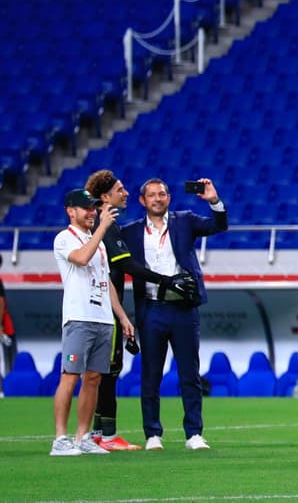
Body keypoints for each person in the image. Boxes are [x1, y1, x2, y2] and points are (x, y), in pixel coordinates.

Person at [84, 169, 191, 452]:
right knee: (106, 371)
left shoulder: (100, 225)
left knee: (102, 371)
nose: (126, 193)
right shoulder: (106, 227)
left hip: (106, 306)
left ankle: (96, 433)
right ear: (106, 197)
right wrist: (166, 280)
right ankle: (105, 434)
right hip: (104, 310)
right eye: (120, 189)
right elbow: (127, 266)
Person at [121, 177, 228, 451]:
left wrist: (214, 201)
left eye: (162, 194)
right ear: (142, 201)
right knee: (150, 375)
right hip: (152, 309)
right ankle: (152, 434)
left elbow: (219, 225)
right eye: (152, 195)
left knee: (189, 373)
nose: (158, 198)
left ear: (169, 198)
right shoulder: (130, 232)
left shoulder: (184, 221)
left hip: (183, 309)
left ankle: (194, 433)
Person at [51, 189, 135, 456]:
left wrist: (121, 316)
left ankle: (82, 437)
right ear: (70, 211)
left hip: (102, 318)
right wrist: (102, 229)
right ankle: (60, 439)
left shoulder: (96, 241)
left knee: (94, 378)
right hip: (79, 317)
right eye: (86, 208)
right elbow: (81, 258)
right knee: (70, 376)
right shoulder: (64, 239)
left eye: (94, 208)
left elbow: (106, 280)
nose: (92, 212)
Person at [0, 275, 14, 396]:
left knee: (7, 362)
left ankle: (4, 390)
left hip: (4, 328)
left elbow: (1, 302)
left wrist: (0, 326)